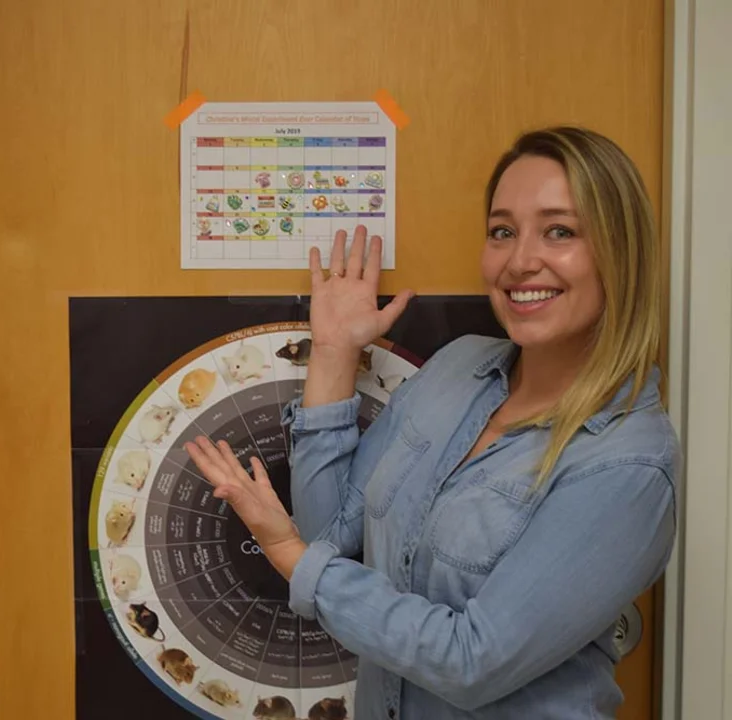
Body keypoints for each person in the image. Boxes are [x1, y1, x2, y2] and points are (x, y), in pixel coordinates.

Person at [185, 126, 679, 719]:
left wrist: (285, 551)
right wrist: (335, 353)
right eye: (502, 231)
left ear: (620, 253)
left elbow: (472, 663)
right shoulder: (456, 368)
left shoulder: (628, 463)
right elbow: (330, 539)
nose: (521, 261)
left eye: (560, 231)